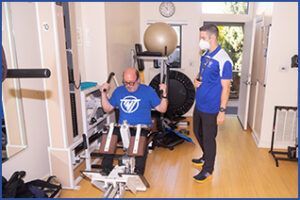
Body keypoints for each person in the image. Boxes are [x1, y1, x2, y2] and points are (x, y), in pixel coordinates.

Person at [100, 67, 168, 174]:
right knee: (110, 133)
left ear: (138, 80)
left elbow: (162, 108)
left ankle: (138, 172)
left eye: (131, 83)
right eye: (126, 83)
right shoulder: (119, 91)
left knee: (139, 140)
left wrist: (164, 94)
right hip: (124, 126)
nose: (128, 86)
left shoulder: (148, 91)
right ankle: (106, 169)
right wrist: (103, 94)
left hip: (142, 127)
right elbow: (107, 108)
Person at [192, 24, 232, 183]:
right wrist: (196, 80)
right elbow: (202, 74)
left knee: (209, 138)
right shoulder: (206, 54)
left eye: (203, 38)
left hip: (211, 107)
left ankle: (208, 168)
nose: (201, 41)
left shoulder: (224, 59)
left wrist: (222, 111)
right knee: (197, 131)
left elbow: (226, 88)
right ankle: (206, 155)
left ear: (212, 38)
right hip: (199, 102)